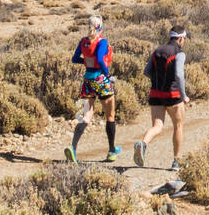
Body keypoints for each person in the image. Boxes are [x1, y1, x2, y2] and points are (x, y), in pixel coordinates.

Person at [64, 15, 121, 163]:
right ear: (100, 27)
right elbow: (102, 59)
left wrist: (87, 61)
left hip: (87, 80)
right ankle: (111, 151)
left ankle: (73, 148)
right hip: (100, 79)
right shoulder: (102, 42)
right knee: (110, 116)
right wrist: (107, 74)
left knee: (86, 116)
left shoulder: (83, 42)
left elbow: (75, 58)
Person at [134, 27, 190, 171]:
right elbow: (179, 74)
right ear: (181, 39)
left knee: (157, 126)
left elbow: (147, 71)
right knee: (178, 126)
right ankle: (176, 161)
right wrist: (184, 95)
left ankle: (143, 144)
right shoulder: (179, 53)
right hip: (172, 95)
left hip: (155, 94)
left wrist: (159, 81)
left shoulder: (157, 51)